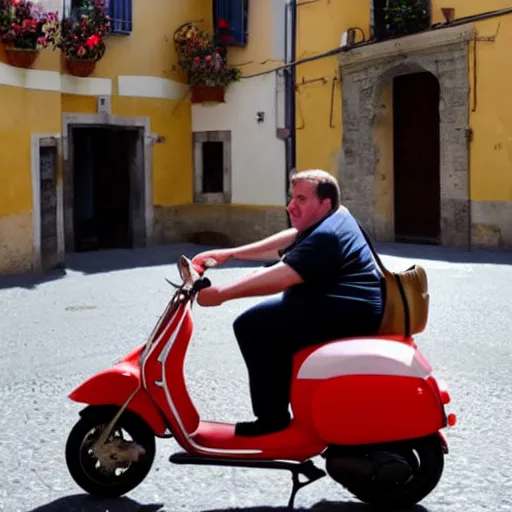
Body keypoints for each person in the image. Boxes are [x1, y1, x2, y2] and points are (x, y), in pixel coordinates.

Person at [192, 169, 385, 437]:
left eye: (301, 199)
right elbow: (290, 240)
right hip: (343, 306)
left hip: (346, 314)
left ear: (324, 203)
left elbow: (280, 277)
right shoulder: (335, 217)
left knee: (252, 327)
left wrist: (222, 293)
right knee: (263, 322)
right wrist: (230, 254)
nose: (291, 206)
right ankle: (284, 405)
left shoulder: (326, 236)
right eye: (292, 197)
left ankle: (272, 420)